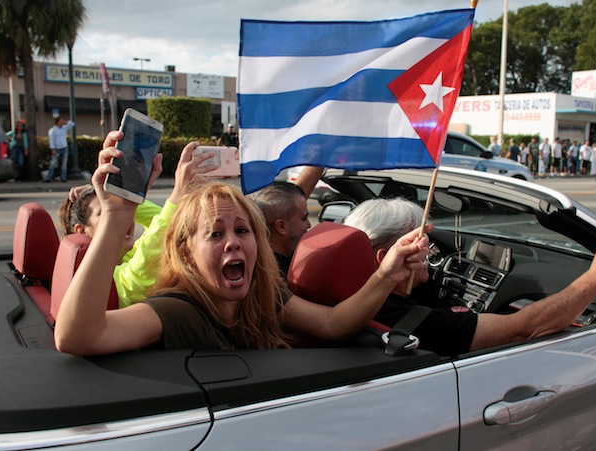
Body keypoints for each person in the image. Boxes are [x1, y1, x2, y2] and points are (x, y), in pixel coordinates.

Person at [53, 133, 430, 356]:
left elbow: (333, 325)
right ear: (186, 253)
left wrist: (385, 272)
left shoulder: (264, 295)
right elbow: (78, 335)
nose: (233, 243)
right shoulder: (178, 310)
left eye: (243, 231)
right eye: (215, 234)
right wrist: (117, 217)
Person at [343, 198, 596, 356]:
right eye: (420, 245)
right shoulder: (415, 321)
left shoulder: (339, 297)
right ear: (385, 259)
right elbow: (525, 328)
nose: (430, 254)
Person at [57, 140, 211, 307]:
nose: (125, 218)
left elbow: (166, 223)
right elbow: (143, 267)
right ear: (81, 231)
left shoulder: (127, 257)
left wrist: (119, 196)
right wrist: (178, 191)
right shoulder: (103, 277)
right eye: (104, 212)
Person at [249, 166, 324, 278]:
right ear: (281, 227)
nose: (309, 225)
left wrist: (321, 157)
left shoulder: (259, 260)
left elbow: (289, 203)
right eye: (304, 218)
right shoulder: (272, 278)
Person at [45, 117, 75, 183]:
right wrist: (53, 149)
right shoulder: (52, 130)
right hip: (57, 148)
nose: (62, 122)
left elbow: (72, 124)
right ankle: (49, 178)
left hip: (64, 147)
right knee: (53, 163)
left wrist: (66, 122)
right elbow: (51, 140)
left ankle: (63, 178)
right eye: (61, 121)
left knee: (64, 164)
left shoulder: (64, 129)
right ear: (57, 122)